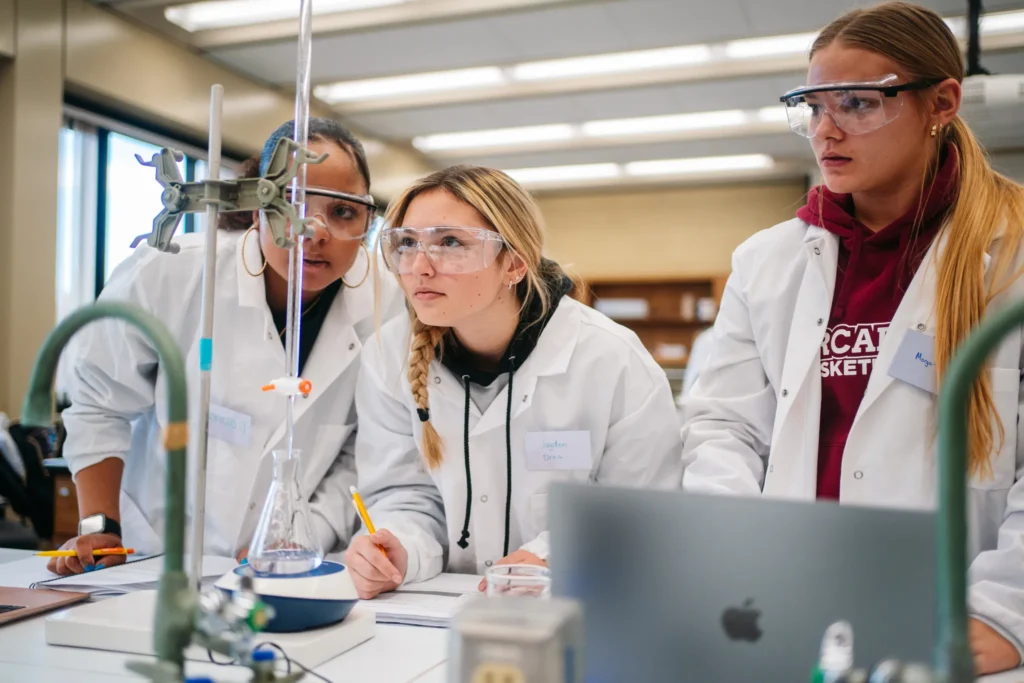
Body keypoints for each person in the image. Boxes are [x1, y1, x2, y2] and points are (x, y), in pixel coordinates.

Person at [680, 2, 1024, 674]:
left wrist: (1002, 608)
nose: (825, 130)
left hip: (953, 614)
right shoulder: (766, 261)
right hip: (788, 606)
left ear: (941, 103)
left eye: (858, 104)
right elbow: (723, 428)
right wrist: (736, 558)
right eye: (812, 106)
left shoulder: (1010, 254)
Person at [51, 118, 404, 575]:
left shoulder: (387, 303)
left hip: (286, 564)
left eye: (343, 213)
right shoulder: (171, 272)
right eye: (290, 204)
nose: (315, 232)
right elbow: (100, 404)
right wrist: (100, 524)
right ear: (256, 207)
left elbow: (363, 451)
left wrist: (297, 532)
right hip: (151, 552)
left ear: (367, 221)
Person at [344, 165, 683, 598]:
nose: (419, 267)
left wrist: (553, 556)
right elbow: (405, 494)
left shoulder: (611, 359)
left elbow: (644, 507)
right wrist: (399, 547)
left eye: (450, 243)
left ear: (516, 263)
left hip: (579, 604)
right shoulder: (387, 355)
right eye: (407, 243)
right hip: (439, 611)